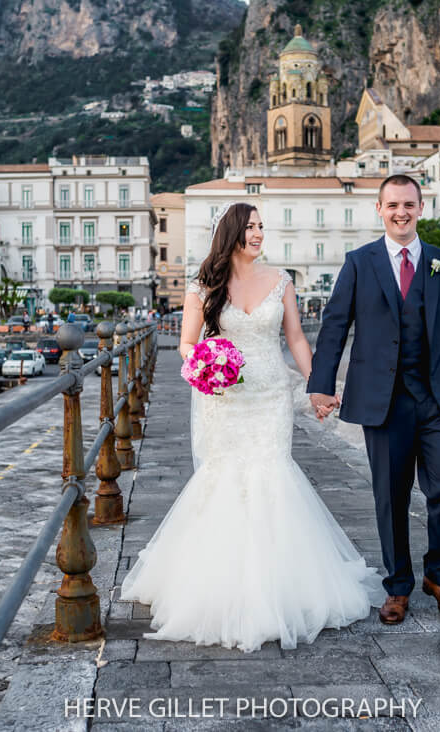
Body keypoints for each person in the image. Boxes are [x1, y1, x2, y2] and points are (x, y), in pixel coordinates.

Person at [120, 202, 384, 652]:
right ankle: (217, 585)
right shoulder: (204, 287)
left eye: (262, 226)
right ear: (232, 234)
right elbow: (186, 343)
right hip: (223, 398)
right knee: (224, 477)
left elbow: (296, 337)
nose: (259, 234)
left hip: (269, 396)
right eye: (251, 227)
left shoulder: (281, 281)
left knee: (271, 474)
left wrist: (316, 385)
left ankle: (279, 585)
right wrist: (205, 363)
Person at [308, 174, 440, 626]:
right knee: (391, 495)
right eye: (392, 205)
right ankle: (398, 585)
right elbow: (334, 327)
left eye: (409, 204)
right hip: (383, 402)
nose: (401, 212)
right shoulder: (359, 263)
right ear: (379, 210)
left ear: (421, 208)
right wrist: (321, 385)